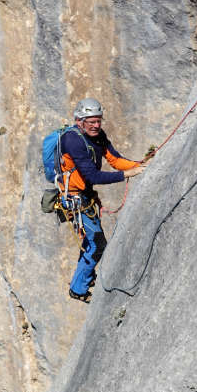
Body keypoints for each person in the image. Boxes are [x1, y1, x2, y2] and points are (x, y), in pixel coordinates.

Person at [59, 97, 144, 303]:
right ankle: (78, 288)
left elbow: (114, 159)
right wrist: (126, 175)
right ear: (79, 121)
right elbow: (93, 176)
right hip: (74, 198)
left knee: (93, 242)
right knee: (97, 244)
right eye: (91, 122)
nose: (96, 125)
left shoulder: (98, 136)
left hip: (85, 197)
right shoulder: (72, 140)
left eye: (99, 121)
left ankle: (85, 279)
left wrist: (139, 165)